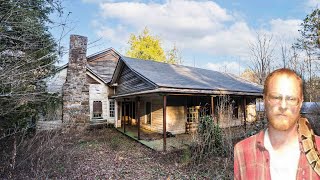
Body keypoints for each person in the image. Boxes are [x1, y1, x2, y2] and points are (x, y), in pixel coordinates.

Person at [234, 68, 320, 180]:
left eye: (291, 98)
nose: (283, 106)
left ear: (300, 102)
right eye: (275, 97)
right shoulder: (241, 151)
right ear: (264, 100)